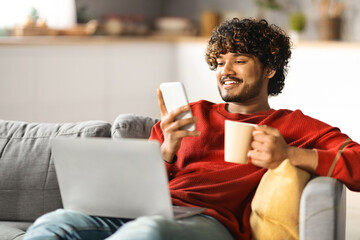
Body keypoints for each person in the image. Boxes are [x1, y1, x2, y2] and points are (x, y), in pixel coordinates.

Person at [24, 18, 360, 240]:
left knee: (147, 232)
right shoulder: (192, 113)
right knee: (56, 223)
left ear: (270, 68)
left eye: (239, 60)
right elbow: (139, 184)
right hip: (150, 209)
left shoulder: (291, 125)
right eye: (219, 61)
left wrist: (288, 154)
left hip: (211, 223)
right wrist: (165, 149)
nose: (225, 70)